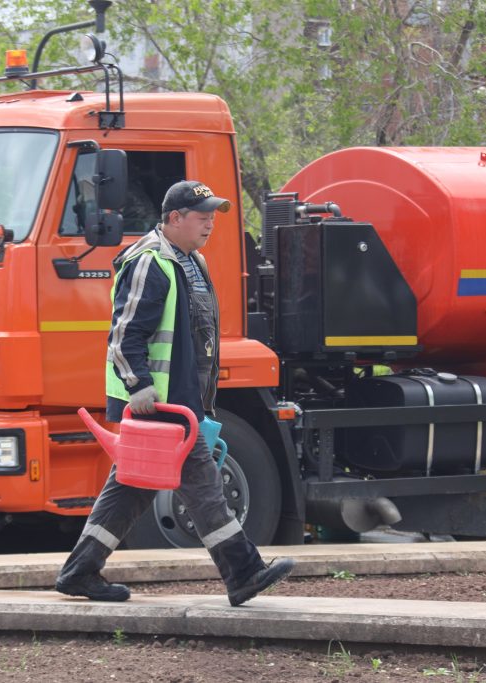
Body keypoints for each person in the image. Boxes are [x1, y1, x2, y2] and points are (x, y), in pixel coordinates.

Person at [56, 180, 295, 606]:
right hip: (158, 403)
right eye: (201, 216)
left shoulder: (191, 262)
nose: (209, 224)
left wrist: (200, 404)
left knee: (130, 488)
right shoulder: (151, 262)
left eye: (213, 216)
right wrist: (140, 387)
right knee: (204, 486)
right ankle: (243, 572)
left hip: (177, 401)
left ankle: (80, 571)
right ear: (174, 219)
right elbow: (124, 335)